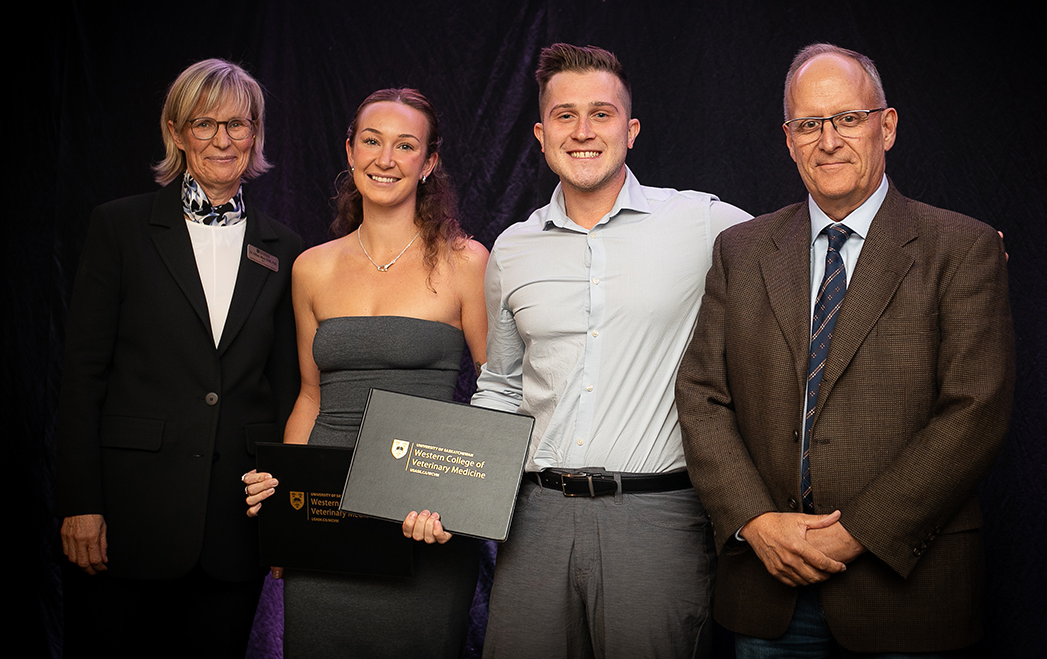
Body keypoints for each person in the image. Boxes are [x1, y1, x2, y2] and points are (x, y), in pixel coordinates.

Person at [675, 43, 1015, 657]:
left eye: (847, 119)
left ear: (885, 126)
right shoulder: (742, 251)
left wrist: (857, 532)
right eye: (809, 124)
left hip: (908, 590)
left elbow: (975, 411)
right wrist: (756, 523)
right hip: (768, 586)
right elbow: (701, 397)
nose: (828, 140)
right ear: (788, 139)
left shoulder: (960, 249)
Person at [471, 43, 751, 658]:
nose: (583, 131)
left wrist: (947, 246)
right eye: (565, 115)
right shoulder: (512, 249)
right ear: (541, 135)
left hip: (657, 517)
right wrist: (456, 494)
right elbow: (501, 386)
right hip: (534, 519)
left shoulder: (702, 222)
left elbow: (803, 246)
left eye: (601, 113)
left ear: (632, 129)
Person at [54, 58, 304, 657]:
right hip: (127, 519)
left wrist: (285, 522)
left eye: (238, 125)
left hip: (234, 529)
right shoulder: (119, 227)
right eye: (204, 124)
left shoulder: (286, 249)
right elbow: (81, 377)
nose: (223, 140)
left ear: (256, 134)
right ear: (176, 131)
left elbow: (290, 389)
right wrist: (80, 504)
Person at [242, 87, 489, 658]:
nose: (385, 159)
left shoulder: (465, 261)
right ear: (350, 150)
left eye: (406, 146)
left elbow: (499, 390)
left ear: (428, 164)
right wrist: (284, 518)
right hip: (325, 515)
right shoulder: (311, 267)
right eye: (372, 141)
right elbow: (309, 397)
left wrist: (457, 497)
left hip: (423, 515)